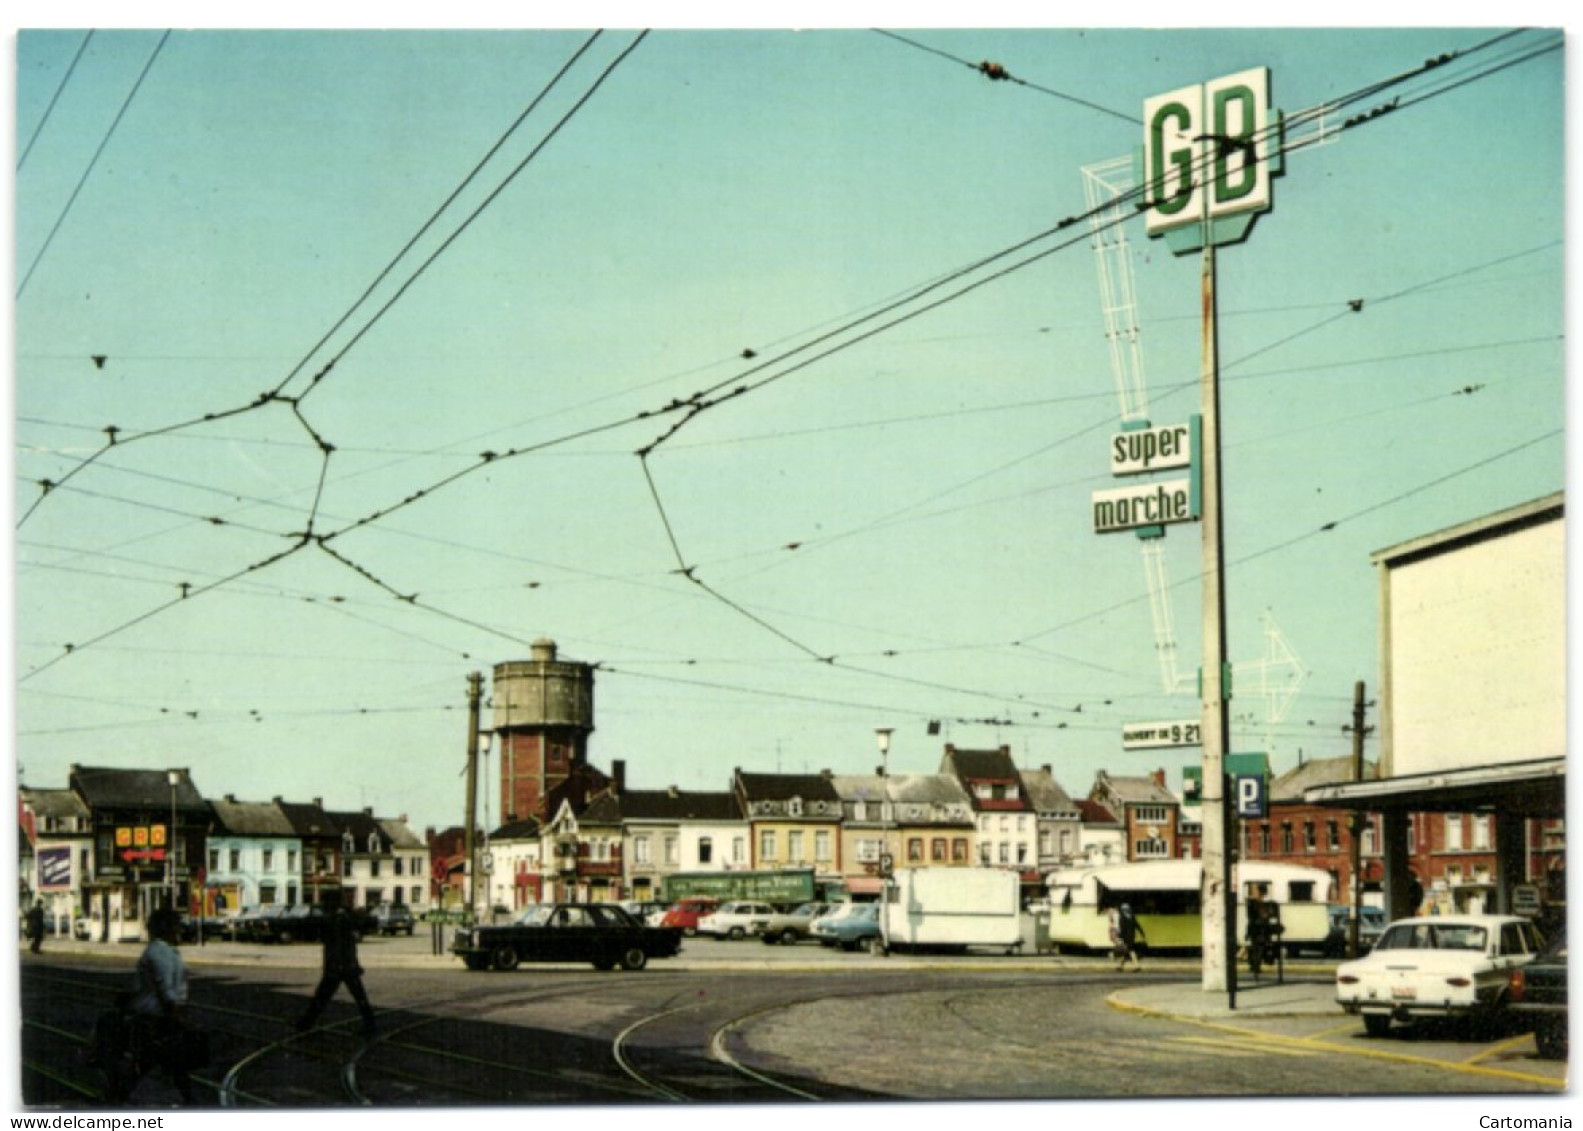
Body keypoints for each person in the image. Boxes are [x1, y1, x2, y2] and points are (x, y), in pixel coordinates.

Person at [105, 908, 196, 1104]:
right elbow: (166, 989)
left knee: (153, 1062)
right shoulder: (159, 952)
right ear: (167, 929)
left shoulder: (167, 951)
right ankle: (191, 1103)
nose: (180, 931)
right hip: (156, 1017)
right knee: (160, 1062)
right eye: (177, 926)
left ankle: (116, 1097)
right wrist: (176, 1016)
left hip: (157, 1017)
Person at [295, 903, 376, 1036]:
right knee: (358, 997)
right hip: (347, 966)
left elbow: (335, 943)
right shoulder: (343, 918)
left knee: (322, 996)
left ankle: (306, 1023)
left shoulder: (335, 920)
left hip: (337, 966)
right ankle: (370, 1024)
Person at [1110, 903, 1144, 972]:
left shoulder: (1122, 917)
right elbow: (1137, 925)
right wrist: (1142, 933)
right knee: (1125, 951)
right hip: (1132, 936)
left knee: (1131, 951)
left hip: (1125, 937)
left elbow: (1122, 928)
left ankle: (1136, 966)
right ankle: (1120, 966)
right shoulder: (1132, 916)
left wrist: (1120, 936)